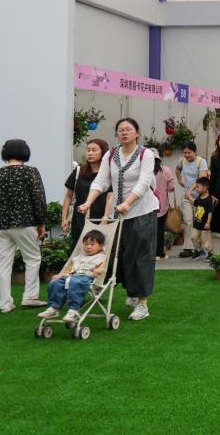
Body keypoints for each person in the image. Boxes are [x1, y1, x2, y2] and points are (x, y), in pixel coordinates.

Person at [79, 118, 156, 322]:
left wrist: (127, 203)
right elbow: (101, 181)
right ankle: (131, 290)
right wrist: (88, 202)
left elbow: (144, 182)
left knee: (140, 256)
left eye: (128, 129)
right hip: (118, 213)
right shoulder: (111, 155)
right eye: (120, 130)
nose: (124, 132)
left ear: (137, 133)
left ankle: (142, 303)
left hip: (142, 211)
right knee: (117, 254)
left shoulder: (146, 154)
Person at [0, 139, 47, 312]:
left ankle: (4, 304)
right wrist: (41, 222)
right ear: (25, 152)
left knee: (3, 264)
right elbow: (38, 199)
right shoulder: (31, 172)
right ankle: (30, 297)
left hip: (1, 225)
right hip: (25, 223)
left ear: (5, 153)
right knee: (32, 259)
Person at [36, 229, 106, 323]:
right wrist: (60, 275)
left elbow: (102, 267)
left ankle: (73, 309)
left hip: (86, 277)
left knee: (76, 282)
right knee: (55, 283)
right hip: (72, 276)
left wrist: (98, 270)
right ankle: (53, 308)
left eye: (92, 244)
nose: (88, 247)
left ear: (100, 246)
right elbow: (70, 268)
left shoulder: (101, 257)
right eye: (86, 244)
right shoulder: (79, 257)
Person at [61, 139, 110, 242]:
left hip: (101, 218)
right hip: (80, 218)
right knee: (79, 245)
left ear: (103, 152)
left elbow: (110, 197)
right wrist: (64, 218)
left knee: (99, 246)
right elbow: (68, 196)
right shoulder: (78, 171)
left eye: (94, 150)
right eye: (88, 150)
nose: (90, 153)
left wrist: (105, 218)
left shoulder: (108, 173)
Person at [174, 143, 208, 259]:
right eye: (185, 152)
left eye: (189, 152)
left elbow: (201, 180)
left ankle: (200, 248)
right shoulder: (182, 160)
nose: (187, 155)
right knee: (188, 220)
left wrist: (190, 190)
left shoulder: (201, 162)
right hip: (186, 197)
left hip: (199, 198)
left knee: (199, 222)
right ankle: (188, 248)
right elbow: (177, 170)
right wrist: (179, 180)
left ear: (195, 152)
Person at [151, 149, 176, 261]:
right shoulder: (166, 170)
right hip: (162, 205)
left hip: (146, 206)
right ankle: (159, 253)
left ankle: (149, 253)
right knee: (160, 229)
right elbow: (171, 188)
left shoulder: (144, 170)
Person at [189, 177, 215, 260]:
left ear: (204, 188)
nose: (196, 189)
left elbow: (210, 212)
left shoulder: (209, 199)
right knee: (193, 237)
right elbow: (195, 203)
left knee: (206, 240)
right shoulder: (199, 197)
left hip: (205, 225)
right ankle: (199, 251)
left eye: (198, 187)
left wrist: (208, 222)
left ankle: (210, 253)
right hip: (197, 223)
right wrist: (189, 197)